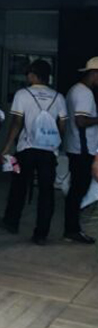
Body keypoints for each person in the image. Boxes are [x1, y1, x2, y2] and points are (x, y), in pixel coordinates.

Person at [0, 60, 68, 245]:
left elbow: (17, 124)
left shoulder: (23, 94)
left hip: (26, 149)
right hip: (48, 151)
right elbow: (63, 125)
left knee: (19, 186)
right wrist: (54, 142)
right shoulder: (58, 97)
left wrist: (6, 147)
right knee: (46, 192)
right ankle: (41, 234)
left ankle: (12, 221)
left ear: (33, 75)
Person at [63, 58, 98, 244]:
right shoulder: (85, 93)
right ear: (94, 74)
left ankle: (72, 227)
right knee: (79, 189)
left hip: (75, 146)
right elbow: (81, 121)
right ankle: (72, 229)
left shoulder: (75, 90)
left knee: (77, 189)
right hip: (82, 149)